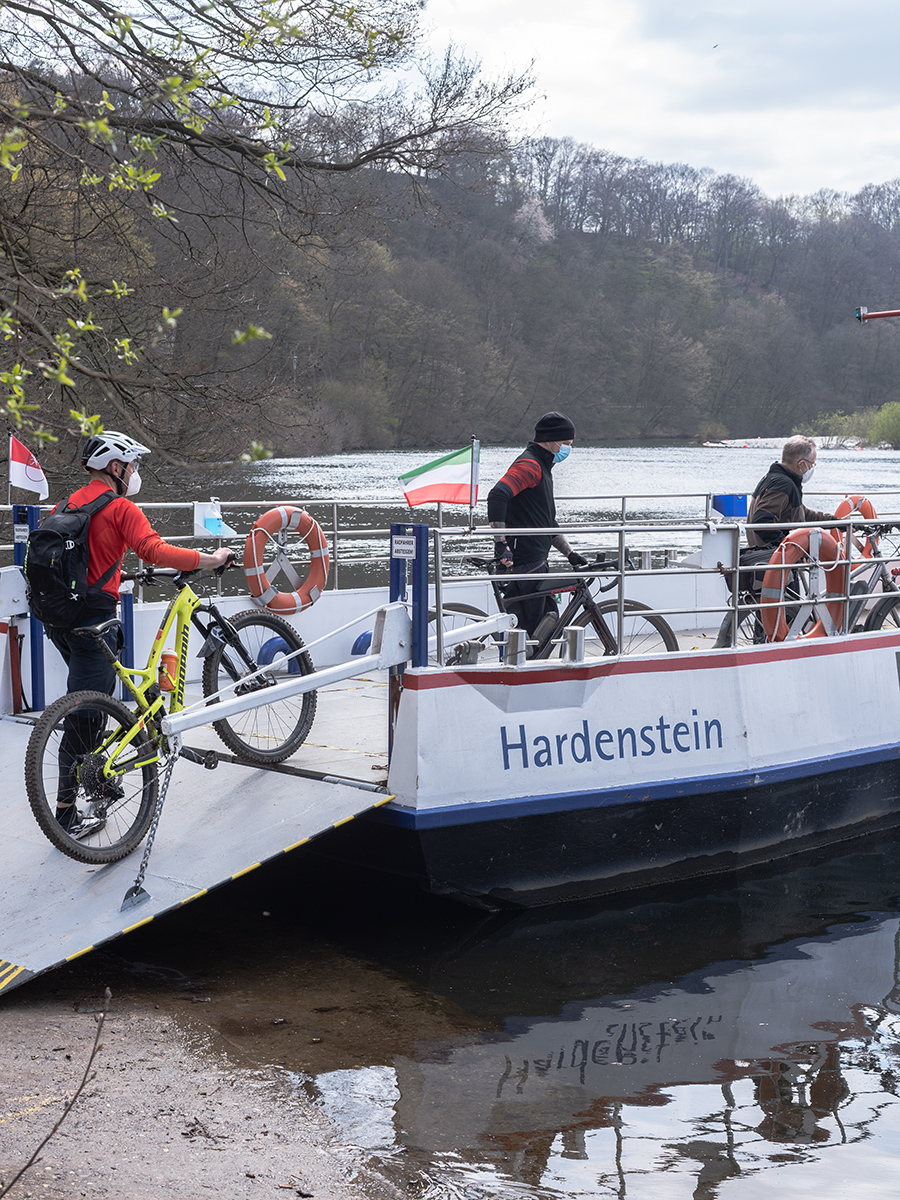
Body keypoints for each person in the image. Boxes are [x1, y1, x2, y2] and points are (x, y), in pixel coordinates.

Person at [48, 430, 233, 837]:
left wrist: (118, 572)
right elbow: (156, 550)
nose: (134, 473)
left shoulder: (67, 503)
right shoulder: (119, 508)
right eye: (131, 465)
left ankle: (95, 777)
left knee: (93, 702)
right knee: (83, 716)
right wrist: (210, 557)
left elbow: (83, 560)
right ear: (116, 467)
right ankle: (65, 813)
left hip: (57, 620)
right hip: (93, 621)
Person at [487, 411, 588, 638]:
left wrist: (569, 553)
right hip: (524, 562)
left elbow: (545, 520)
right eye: (566, 444)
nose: (567, 449)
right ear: (551, 440)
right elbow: (497, 495)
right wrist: (501, 544)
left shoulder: (542, 467)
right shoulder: (530, 465)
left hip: (535, 561)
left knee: (546, 624)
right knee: (533, 632)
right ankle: (519, 670)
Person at [746, 435, 832, 549]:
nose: (811, 468)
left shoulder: (772, 478)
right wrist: (790, 547)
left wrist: (835, 522)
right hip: (769, 555)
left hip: (759, 549)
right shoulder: (783, 484)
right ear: (801, 464)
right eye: (811, 464)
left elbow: (801, 513)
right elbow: (761, 522)